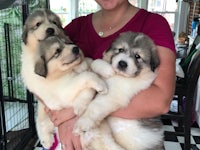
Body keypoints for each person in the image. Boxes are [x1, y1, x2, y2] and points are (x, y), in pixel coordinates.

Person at [45, 0, 176, 150]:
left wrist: (79, 110)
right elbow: (42, 72)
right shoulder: (76, 27)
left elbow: (160, 101)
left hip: (131, 141)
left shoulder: (153, 24)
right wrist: (60, 119)